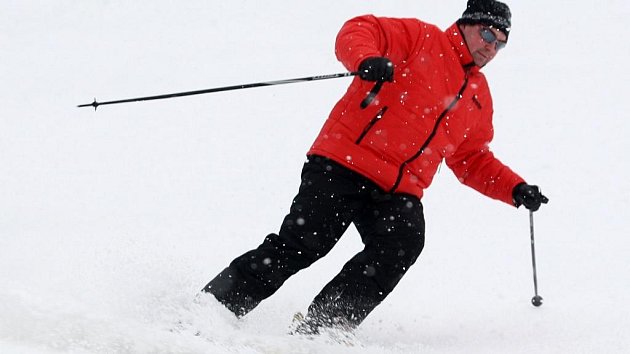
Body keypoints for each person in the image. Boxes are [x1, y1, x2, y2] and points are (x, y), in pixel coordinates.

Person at [202, 0, 548, 334]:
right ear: (466, 24)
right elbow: (359, 27)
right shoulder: (422, 38)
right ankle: (213, 309)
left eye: (501, 44)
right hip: (344, 162)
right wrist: (366, 58)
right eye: (488, 35)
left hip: (398, 190)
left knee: (402, 243)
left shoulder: (477, 97)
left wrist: (514, 188)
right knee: (304, 243)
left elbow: (471, 159)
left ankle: (323, 328)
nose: (491, 48)